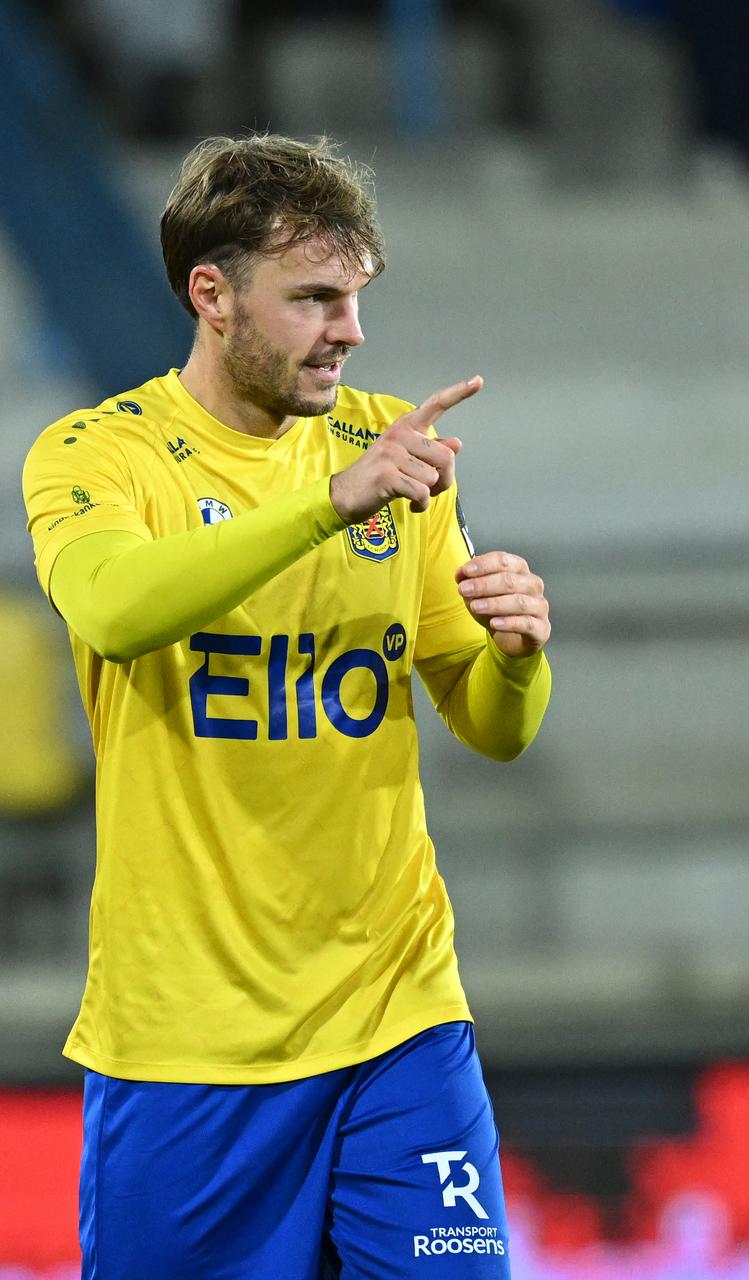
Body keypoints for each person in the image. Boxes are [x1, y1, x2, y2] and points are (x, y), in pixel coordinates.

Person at [18, 134, 553, 1277]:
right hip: (188, 1038)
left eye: (354, 298)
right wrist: (324, 504)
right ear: (211, 295)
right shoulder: (94, 455)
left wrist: (514, 650)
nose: (349, 331)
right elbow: (115, 609)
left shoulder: (389, 445)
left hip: (398, 1014)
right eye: (313, 298)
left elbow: (496, 725)